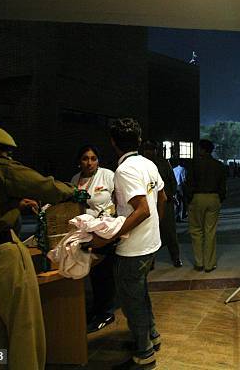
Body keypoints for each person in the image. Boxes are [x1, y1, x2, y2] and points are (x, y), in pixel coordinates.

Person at [0, 126, 74, 369]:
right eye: (7, 154)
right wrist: (73, 192)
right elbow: (46, 186)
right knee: (24, 330)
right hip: (2, 257)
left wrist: (13, 205)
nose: (9, 160)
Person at [90, 118, 167, 370]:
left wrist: (110, 236)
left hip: (133, 248)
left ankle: (144, 353)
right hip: (150, 243)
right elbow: (162, 199)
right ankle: (152, 336)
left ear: (113, 142)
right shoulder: (148, 163)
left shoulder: (124, 171)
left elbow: (142, 209)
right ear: (139, 140)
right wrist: (155, 230)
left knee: (132, 300)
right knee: (140, 293)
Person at [70, 145, 118, 333]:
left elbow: (118, 199)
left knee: (103, 273)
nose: (89, 162)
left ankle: (106, 312)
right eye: (85, 158)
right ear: (79, 161)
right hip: (83, 231)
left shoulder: (107, 175)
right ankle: (97, 308)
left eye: (93, 158)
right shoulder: (75, 179)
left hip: (103, 231)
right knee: (88, 271)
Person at [187, 139, 227, 272]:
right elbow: (223, 186)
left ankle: (199, 262)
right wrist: (220, 198)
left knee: (196, 230)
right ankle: (209, 264)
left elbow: (189, 183)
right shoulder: (219, 165)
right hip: (214, 197)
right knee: (210, 231)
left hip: (197, 197)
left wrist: (189, 198)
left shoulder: (194, 164)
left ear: (201, 149)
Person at [142, 140, 183, 267]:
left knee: (170, 232)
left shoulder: (164, 163)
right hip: (148, 204)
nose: (150, 152)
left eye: (152, 149)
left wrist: (170, 196)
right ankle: (151, 261)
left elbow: (173, 182)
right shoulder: (141, 165)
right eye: (147, 149)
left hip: (165, 203)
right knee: (149, 233)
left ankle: (175, 258)